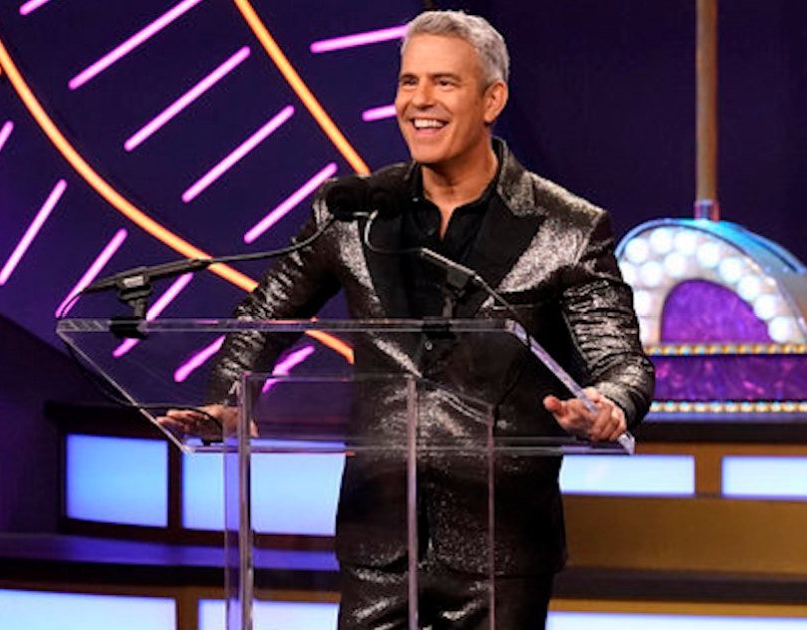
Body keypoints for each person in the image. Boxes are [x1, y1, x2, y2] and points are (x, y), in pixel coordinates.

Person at [164, 10, 653, 629]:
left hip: (499, 548)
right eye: (408, 82)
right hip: (379, 533)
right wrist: (228, 401)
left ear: (492, 99)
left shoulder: (567, 228)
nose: (419, 100)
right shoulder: (351, 212)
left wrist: (609, 404)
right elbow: (263, 315)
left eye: (444, 82)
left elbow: (622, 362)